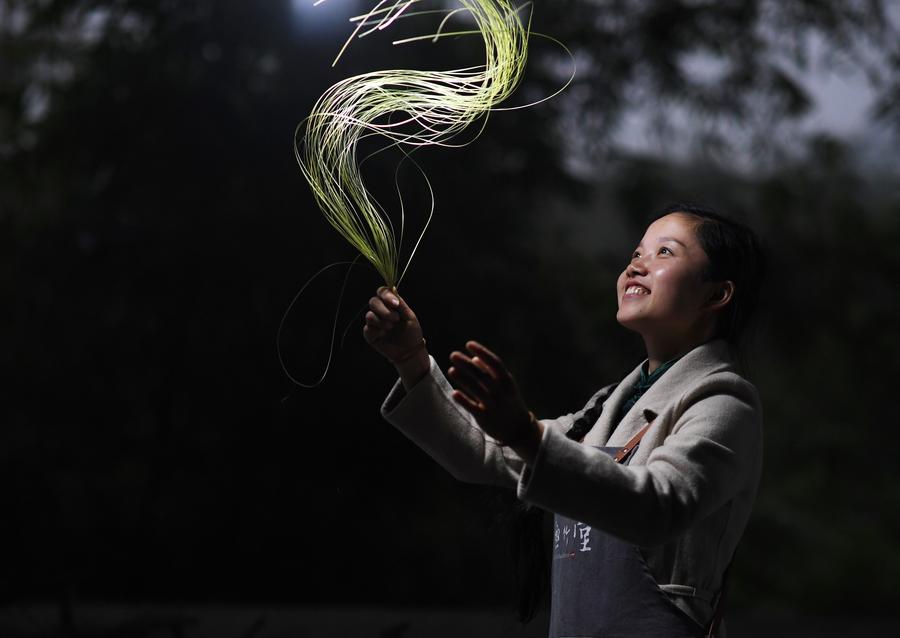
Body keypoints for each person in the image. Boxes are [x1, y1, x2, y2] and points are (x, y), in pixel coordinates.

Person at [363, 204, 766, 637]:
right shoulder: (607, 409)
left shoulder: (725, 401)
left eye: (665, 253)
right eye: (636, 253)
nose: (637, 265)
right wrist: (411, 360)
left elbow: (658, 507)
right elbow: (481, 452)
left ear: (716, 295)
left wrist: (527, 435)